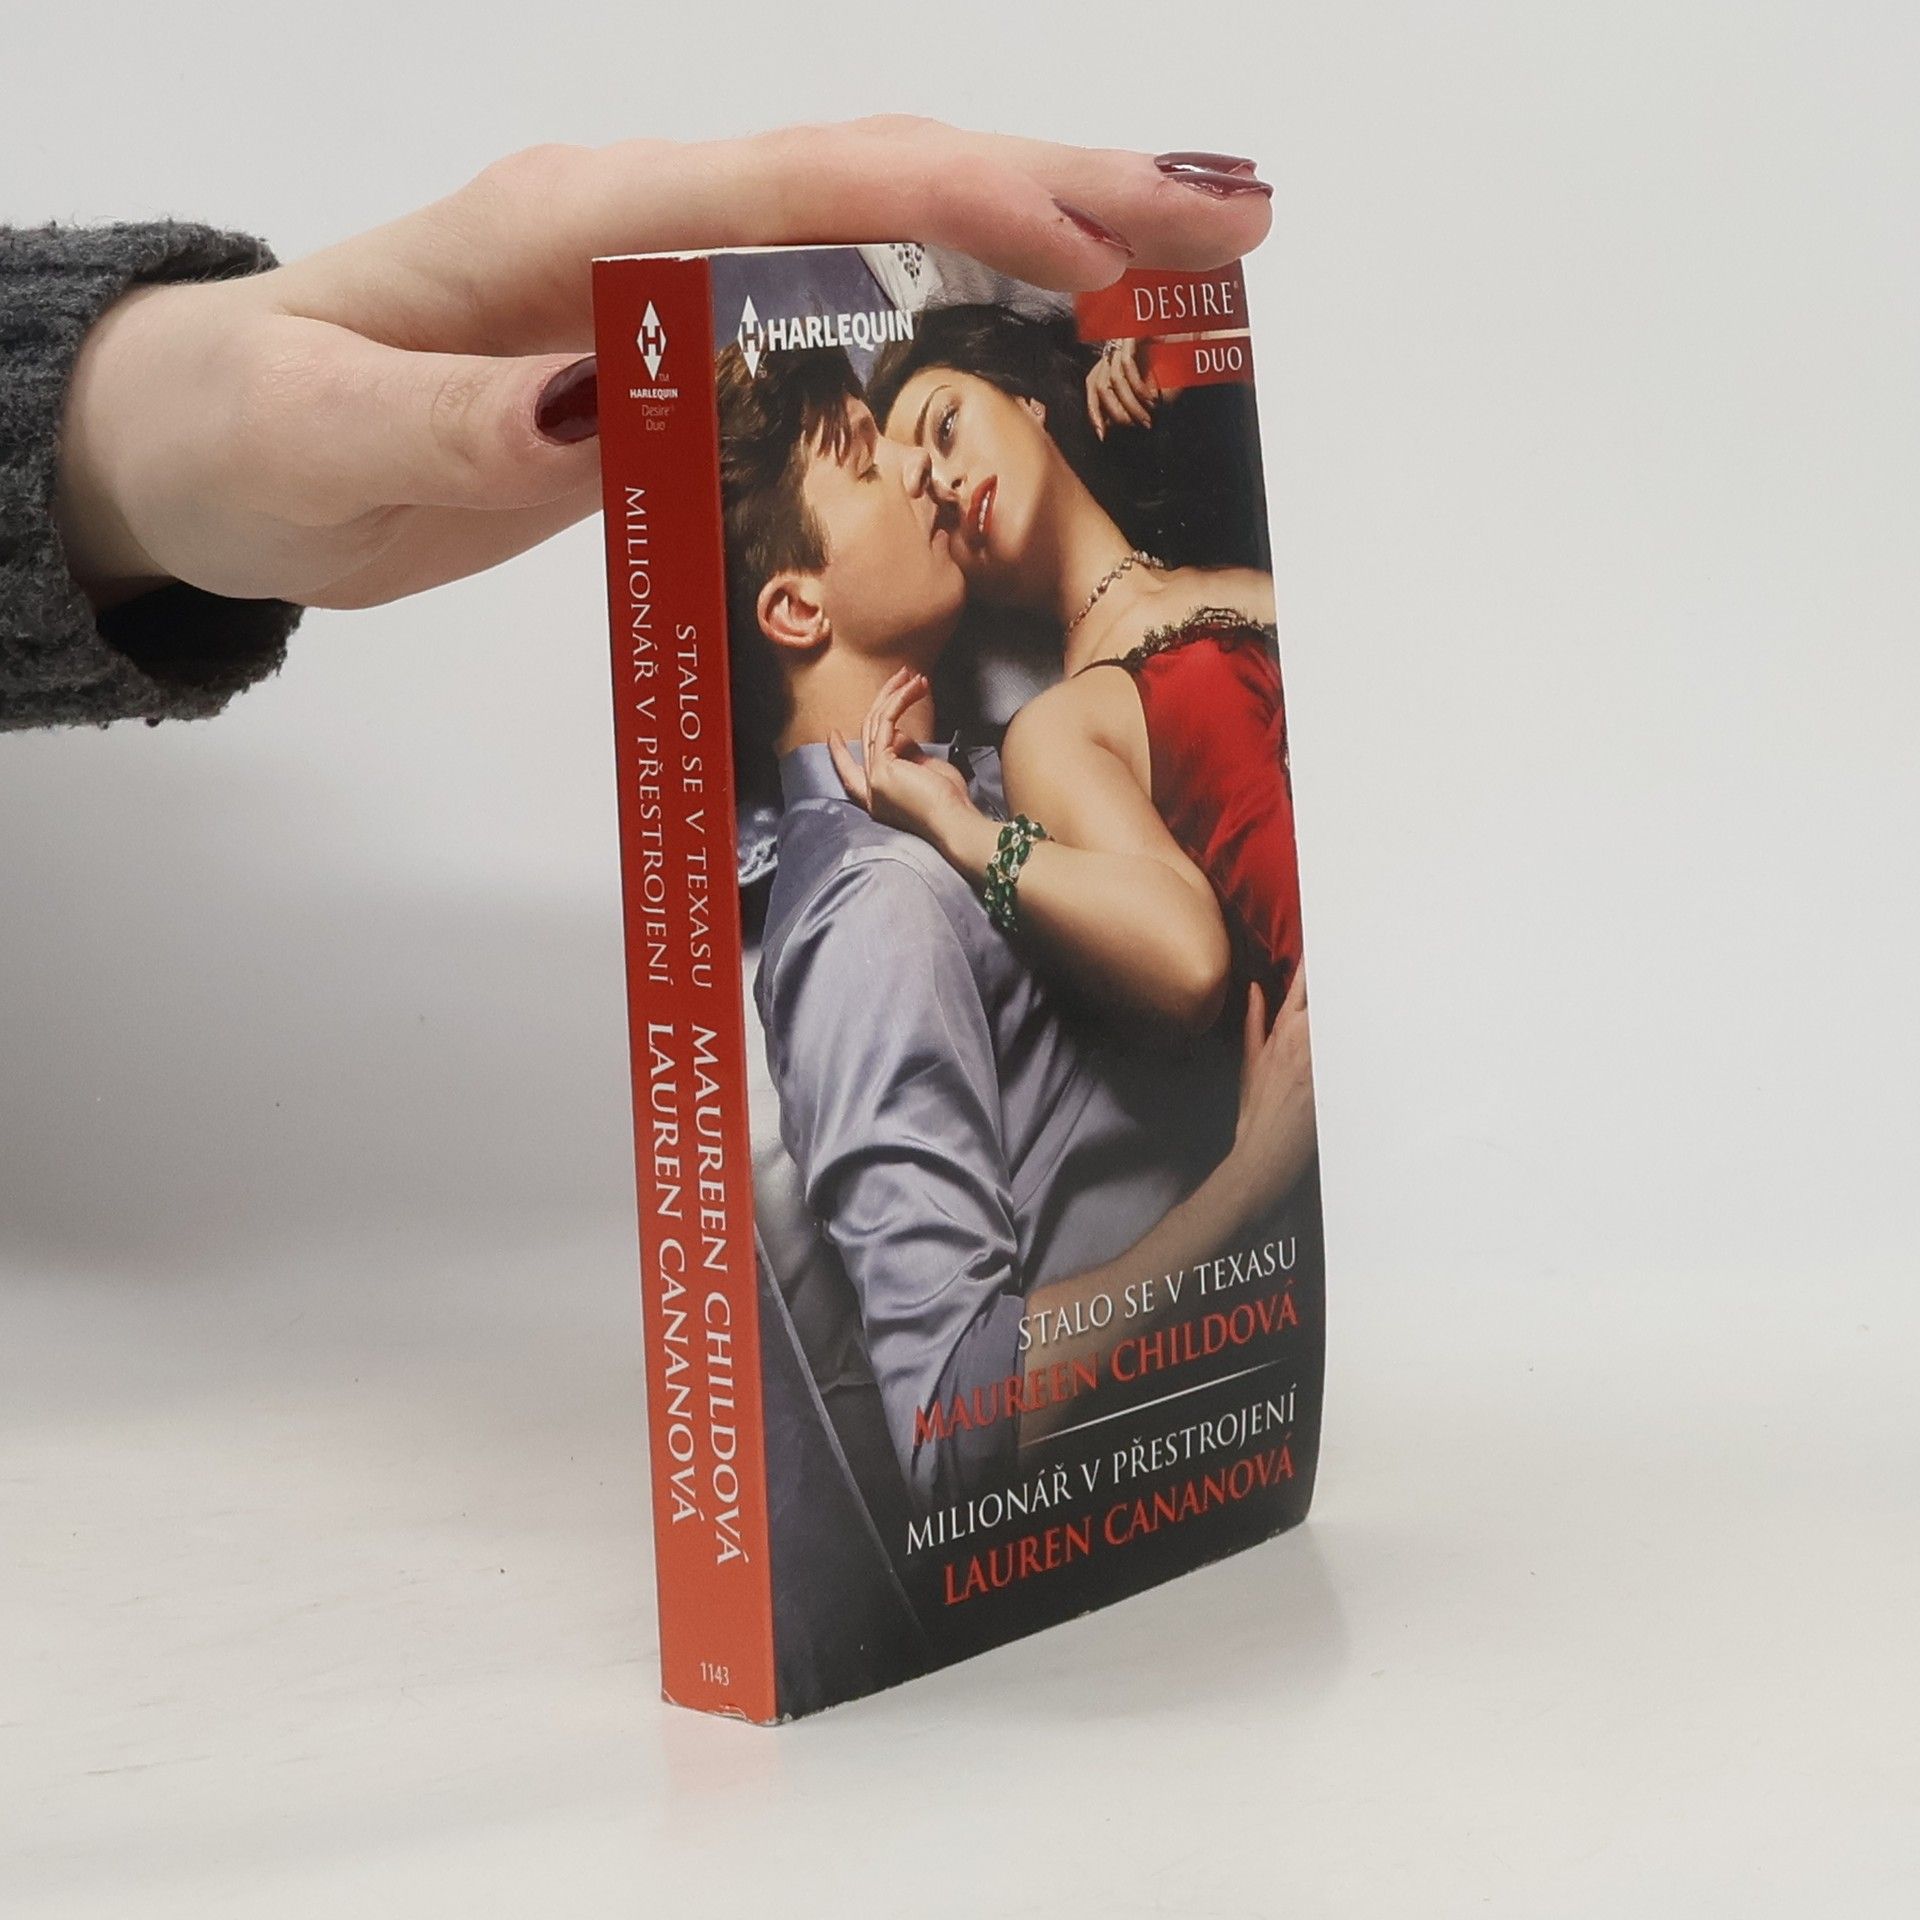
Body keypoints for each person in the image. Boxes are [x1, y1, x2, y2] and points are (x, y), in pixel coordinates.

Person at [1, 121, 1275, 731]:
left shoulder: (1169, 454)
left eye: (925, 430)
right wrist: (95, 455)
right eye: (895, 442)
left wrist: (99, 454)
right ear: (791, 606)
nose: (924, 478)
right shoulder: (1039, 738)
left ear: (1036, 397)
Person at [719, 338, 1317, 1514]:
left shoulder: (972, 786)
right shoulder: (871, 909)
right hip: (1184, 1479)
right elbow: (950, 1424)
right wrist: (1250, 1189)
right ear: (795, 607)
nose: (920, 472)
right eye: (869, 461)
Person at [854, 304, 1302, 1038]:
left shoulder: (1225, 542)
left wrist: (1193, 356)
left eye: (947, 427)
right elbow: (1190, 967)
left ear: (1025, 401)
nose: (949, 483)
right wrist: (962, 831)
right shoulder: (1051, 734)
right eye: (929, 499)